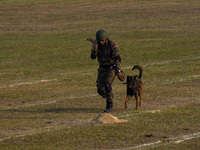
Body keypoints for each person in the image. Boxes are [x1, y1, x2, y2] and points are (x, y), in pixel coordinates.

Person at [90, 30, 125, 113]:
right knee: (100, 90)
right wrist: (94, 50)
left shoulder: (112, 45)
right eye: (100, 41)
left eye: (102, 40)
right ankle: (110, 95)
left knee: (107, 84)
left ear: (106, 39)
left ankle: (109, 106)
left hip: (111, 67)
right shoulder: (97, 45)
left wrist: (118, 71)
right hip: (102, 68)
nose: (101, 42)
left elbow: (117, 58)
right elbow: (93, 57)